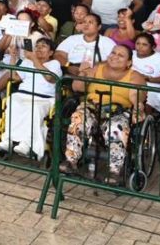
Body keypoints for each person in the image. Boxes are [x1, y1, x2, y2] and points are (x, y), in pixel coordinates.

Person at [60, 44, 146, 186]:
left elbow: (136, 97)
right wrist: (83, 73)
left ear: (129, 62)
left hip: (117, 112)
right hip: (92, 108)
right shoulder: (96, 69)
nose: (115, 56)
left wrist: (138, 105)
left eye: (121, 55)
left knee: (115, 127)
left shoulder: (134, 76)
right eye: (113, 53)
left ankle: (114, 171)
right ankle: (71, 160)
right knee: (78, 118)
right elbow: (77, 87)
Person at [0, 36, 61, 159]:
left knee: (33, 108)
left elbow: (49, 78)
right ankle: (8, 139)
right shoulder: (28, 62)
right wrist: (13, 57)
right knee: (12, 101)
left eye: (43, 46)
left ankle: (27, 143)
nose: (39, 48)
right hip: (24, 94)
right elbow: (13, 76)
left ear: (51, 53)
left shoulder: (54, 64)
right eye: (37, 46)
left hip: (43, 98)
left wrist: (34, 59)